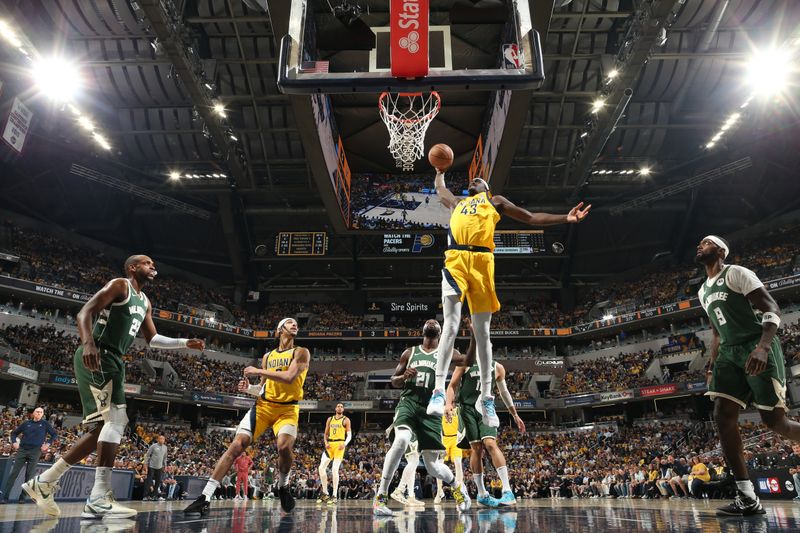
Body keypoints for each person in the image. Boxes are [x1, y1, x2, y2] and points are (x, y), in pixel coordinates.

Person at [22, 255, 204, 518]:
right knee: (116, 422)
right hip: (99, 354)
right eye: (147, 263)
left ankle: (45, 482)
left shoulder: (145, 302)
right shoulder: (120, 285)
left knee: (101, 431)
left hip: (115, 361)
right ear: (133, 268)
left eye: (153, 264)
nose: (153, 267)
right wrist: (88, 343)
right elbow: (84, 312)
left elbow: (152, 339)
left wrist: (185, 342)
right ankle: (98, 496)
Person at [427, 173, 590, 427]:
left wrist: (565, 218)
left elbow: (531, 217)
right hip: (455, 261)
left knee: (482, 333)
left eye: (478, 180)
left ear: (487, 188)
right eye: (471, 181)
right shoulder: (457, 204)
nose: (473, 182)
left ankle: (487, 398)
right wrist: (439, 172)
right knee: (450, 324)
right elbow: (440, 190)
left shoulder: (495, 201)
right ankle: (438, 391)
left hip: (482, 263)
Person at [696, 235, 800, 516]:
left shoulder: (737, 273)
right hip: (728, 353)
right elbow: (717, 332)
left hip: (755, 345)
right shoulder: (703, 290)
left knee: (774, 421)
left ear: (719, 250)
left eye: (705, 243)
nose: (699, 245)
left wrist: (763, 347)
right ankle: (747, 497)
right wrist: (711, 364)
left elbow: (771, 308)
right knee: (722, 415)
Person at [184, 317, 309, 516]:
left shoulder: (301, 352)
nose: (295, 325)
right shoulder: (268, 356)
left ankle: (283, 486)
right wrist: (249, 388)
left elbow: (289, 378)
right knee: (236, 445)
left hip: (287, 409)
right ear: (279, 330)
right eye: (290, 322)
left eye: (296, 323)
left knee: (284, 447)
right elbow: (262, 388)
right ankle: (205, 497)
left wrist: (258, 370)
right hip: (263, 406)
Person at [373, 319, 473, 516]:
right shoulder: (409, 352)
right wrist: (402, 378)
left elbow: (468, 360)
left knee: (433, 465)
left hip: (432, 409)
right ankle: (381, 496)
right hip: (409, 403)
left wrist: (474, 334)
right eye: (429, 321)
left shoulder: (446, 352)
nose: (431, 321)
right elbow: (393, 381)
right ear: (424, 330)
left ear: (440, 332)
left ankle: (458, 488)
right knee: (401, 441)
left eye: (435, 322)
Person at [446, 340, 526, 508]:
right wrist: (448, 403)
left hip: (485, 407)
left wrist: (515, 415)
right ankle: (482, 494)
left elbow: (504, 392)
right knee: (476, 448)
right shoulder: (465, 364)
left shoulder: (497, 367)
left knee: (490, 443)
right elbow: (452, 385)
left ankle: (507, 491)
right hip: (467, 409)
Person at [1, 407, 57, 503]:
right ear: (33, 413)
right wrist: (14, 442)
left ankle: (22, 498)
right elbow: (14, 433)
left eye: (41, 412)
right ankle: (4, 497)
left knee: (29, 475)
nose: (39, 413)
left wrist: (47, 444)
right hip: (22, 450)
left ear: (43, 414)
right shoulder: (26, 423)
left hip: (35, 451)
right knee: (14, 473)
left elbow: (54, 435)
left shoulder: (45, 424)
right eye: (37, 412)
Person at [317, 403, 351, 505]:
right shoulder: (330, 419)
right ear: (335, 408)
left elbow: (349, 435)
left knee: (334, 469)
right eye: (338, 406)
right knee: (321, 468)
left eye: (341, 406)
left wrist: (344, 444)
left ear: (343, 409)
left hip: (339, 445)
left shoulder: (346, 419)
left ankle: (335, 495)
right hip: (330, 445)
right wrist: (326, 443)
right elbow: (325, 434)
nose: (339, 407)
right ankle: (325, 493)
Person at [434, 408, 463, 504]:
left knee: (458, 463)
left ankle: (459, 490)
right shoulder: (441, 408)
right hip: (444, 439)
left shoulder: (458, 409)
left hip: (456, 438)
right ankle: (439, 491)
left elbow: (463, 424)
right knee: (439, 465)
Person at [143, 435, 168, 501]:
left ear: (164, 440)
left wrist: (165, 466)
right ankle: (146, 496)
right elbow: (147, 455)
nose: (162, 440)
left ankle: (154, 496)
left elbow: (165, 458)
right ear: (158, 439)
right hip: (151, 466)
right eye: (160, 438)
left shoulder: (165, 448)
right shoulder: (153, 446)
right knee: (149, 481)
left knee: (158, 482)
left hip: (159, 467)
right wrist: (145, 464)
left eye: (163, 439)